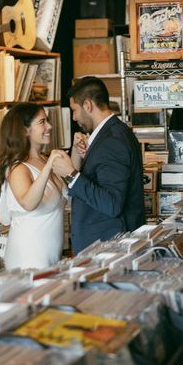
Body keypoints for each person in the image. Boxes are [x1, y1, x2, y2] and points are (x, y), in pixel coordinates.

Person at [52, 76, 145, 255]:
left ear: (88, 105)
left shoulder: (111, 141)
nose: (74, 117)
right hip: (108, 244)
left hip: (109, 247)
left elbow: (111, 204)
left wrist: (71, 174)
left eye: (75, 110)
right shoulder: (114, 133)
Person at [0, 103, 66, 270]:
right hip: (29, 255)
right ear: (25, 131)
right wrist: (49, 166)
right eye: (42, 122)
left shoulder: (42, 159)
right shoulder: (18, 168)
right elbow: (28, 203)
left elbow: (65, 192)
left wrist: (77, 153)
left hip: (51, 254)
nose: (49, 126)